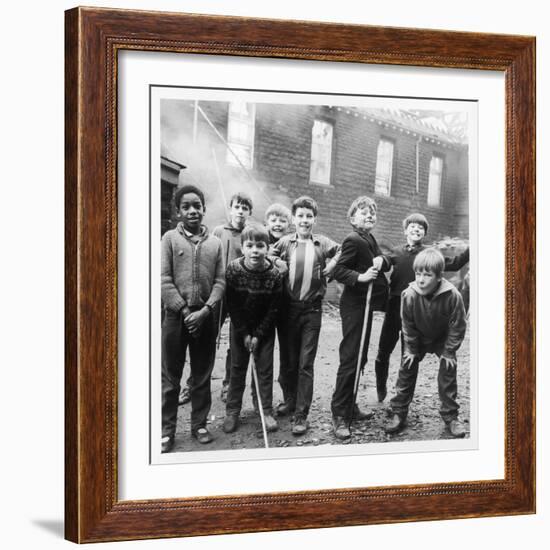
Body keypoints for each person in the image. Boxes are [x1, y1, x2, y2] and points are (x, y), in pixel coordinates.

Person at [374, 213, 469, 402]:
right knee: (384, 349)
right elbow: (385, 262)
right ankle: (380, 386)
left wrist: (472, 249)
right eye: (412, 226)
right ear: (405, 231)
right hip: (395, 305)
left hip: (417, 307)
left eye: (420, 228)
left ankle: (402, 395)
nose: (416, 229)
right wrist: (379, 261)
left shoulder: (429, 254)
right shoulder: (397, 251)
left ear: (424, 233)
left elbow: (455, 263)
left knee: (409, 352)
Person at [160, 185, 225, 452]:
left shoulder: (215, 243)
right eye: (186, 207)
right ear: (178, 212)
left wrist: (206, 310)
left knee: (201, 375)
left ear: (204, 209)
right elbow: (162, 280)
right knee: (171, 376)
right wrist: (185, 311)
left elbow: (220, 281)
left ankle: (199, 425)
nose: (192, 211)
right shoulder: (169, 239)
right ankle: (167, 430)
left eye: (197, 205)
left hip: (206, 318)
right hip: (177, 319)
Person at [272, 196, 340, 436]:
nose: (304, 220)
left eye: (309, 216)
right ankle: (290, 400)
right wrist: (277, 263)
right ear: (293, 219)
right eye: (300, 215)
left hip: (312, 310)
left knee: (305, 363)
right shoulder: (284, 242)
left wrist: (332, 266)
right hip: (288, 309)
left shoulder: (322, 243)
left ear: (315, 219)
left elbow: (343, 250)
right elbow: (268, 255)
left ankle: (301, 414)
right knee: (289, 361)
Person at [385, 247, 468, 438]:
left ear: (439, 276)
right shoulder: (409, 294)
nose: (421, 279)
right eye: (418, 273)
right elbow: (407, 324)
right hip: (418, 338)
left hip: (442, 339)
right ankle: (399, 411)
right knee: (406, 368)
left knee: (449, 370)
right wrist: (412, 349)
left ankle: (450, 416)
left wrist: (449, 351)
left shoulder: (452, 295)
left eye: (427, 275)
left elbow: (458, 325)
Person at [330, 196, 390, 440]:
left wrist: (381, 260)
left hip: (366, 308)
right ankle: (340, 413)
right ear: (352, 218)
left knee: (361, 357)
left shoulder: (369, 238)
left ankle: (351, 402)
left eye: (372, 213)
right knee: (350, 358)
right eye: (364, 212)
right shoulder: (352, 239)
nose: (369, 215)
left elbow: (382, 261)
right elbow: (338, 271)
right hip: (354, 307)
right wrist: (360, 277)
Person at [223, 224, 283, 433]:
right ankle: (232, 411)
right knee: (237, 368)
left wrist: (258, 335)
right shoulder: (233, 269)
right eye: (250, 245)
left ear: (267, 248)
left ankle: (264, 410)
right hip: (240, 327)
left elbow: (275, 310)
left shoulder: (274, 275)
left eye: (260, 246)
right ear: (242, 247)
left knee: (264, 370)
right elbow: (233, 305)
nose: (255, 250)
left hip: (264, 330)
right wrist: (244, 333)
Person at [213, 192, 254, 402]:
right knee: (208, 337)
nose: (240, 211)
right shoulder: (219, 231)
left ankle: (228, 384)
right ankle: (193, 383)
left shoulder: (250, 234)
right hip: (219, 291)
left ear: (249, 212)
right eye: (237, 206)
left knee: (235, 340)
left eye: (245, 208)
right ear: (230, 208)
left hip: (240, 295)